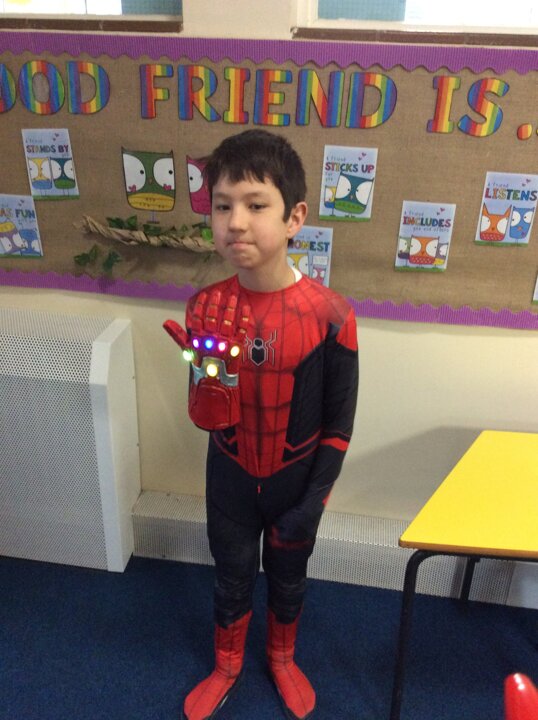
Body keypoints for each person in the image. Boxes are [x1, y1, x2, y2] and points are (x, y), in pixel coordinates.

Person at [164, 129, 359, 720]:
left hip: (295, 481)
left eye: (255, 205)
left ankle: (281, 657)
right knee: (230, 576)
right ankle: (226, 665)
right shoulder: (205, 307)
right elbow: (204, 414)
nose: (236, 223)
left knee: (288, 577)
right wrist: (204, 374)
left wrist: (313, 501)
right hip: (228, 476)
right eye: (222, 206)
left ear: (295, 216)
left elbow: (340, 423)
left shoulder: (332, 315)